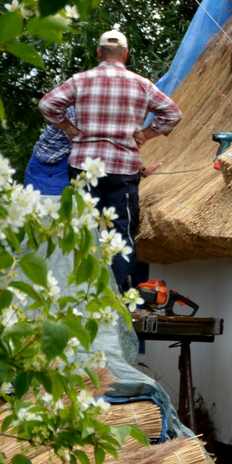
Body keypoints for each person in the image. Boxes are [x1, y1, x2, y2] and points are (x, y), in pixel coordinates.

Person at [39, 29, 182, 293]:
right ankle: (112, 293)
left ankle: (79, 288)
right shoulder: (141, 84)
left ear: (98, 53)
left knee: (83, 227)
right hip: (123, 170)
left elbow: (48, 105)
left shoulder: (80, 81)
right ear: (125, 55)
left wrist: (68, 128)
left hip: (83, 166)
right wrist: (146, 134)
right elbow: (173, 113)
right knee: (121, 231)